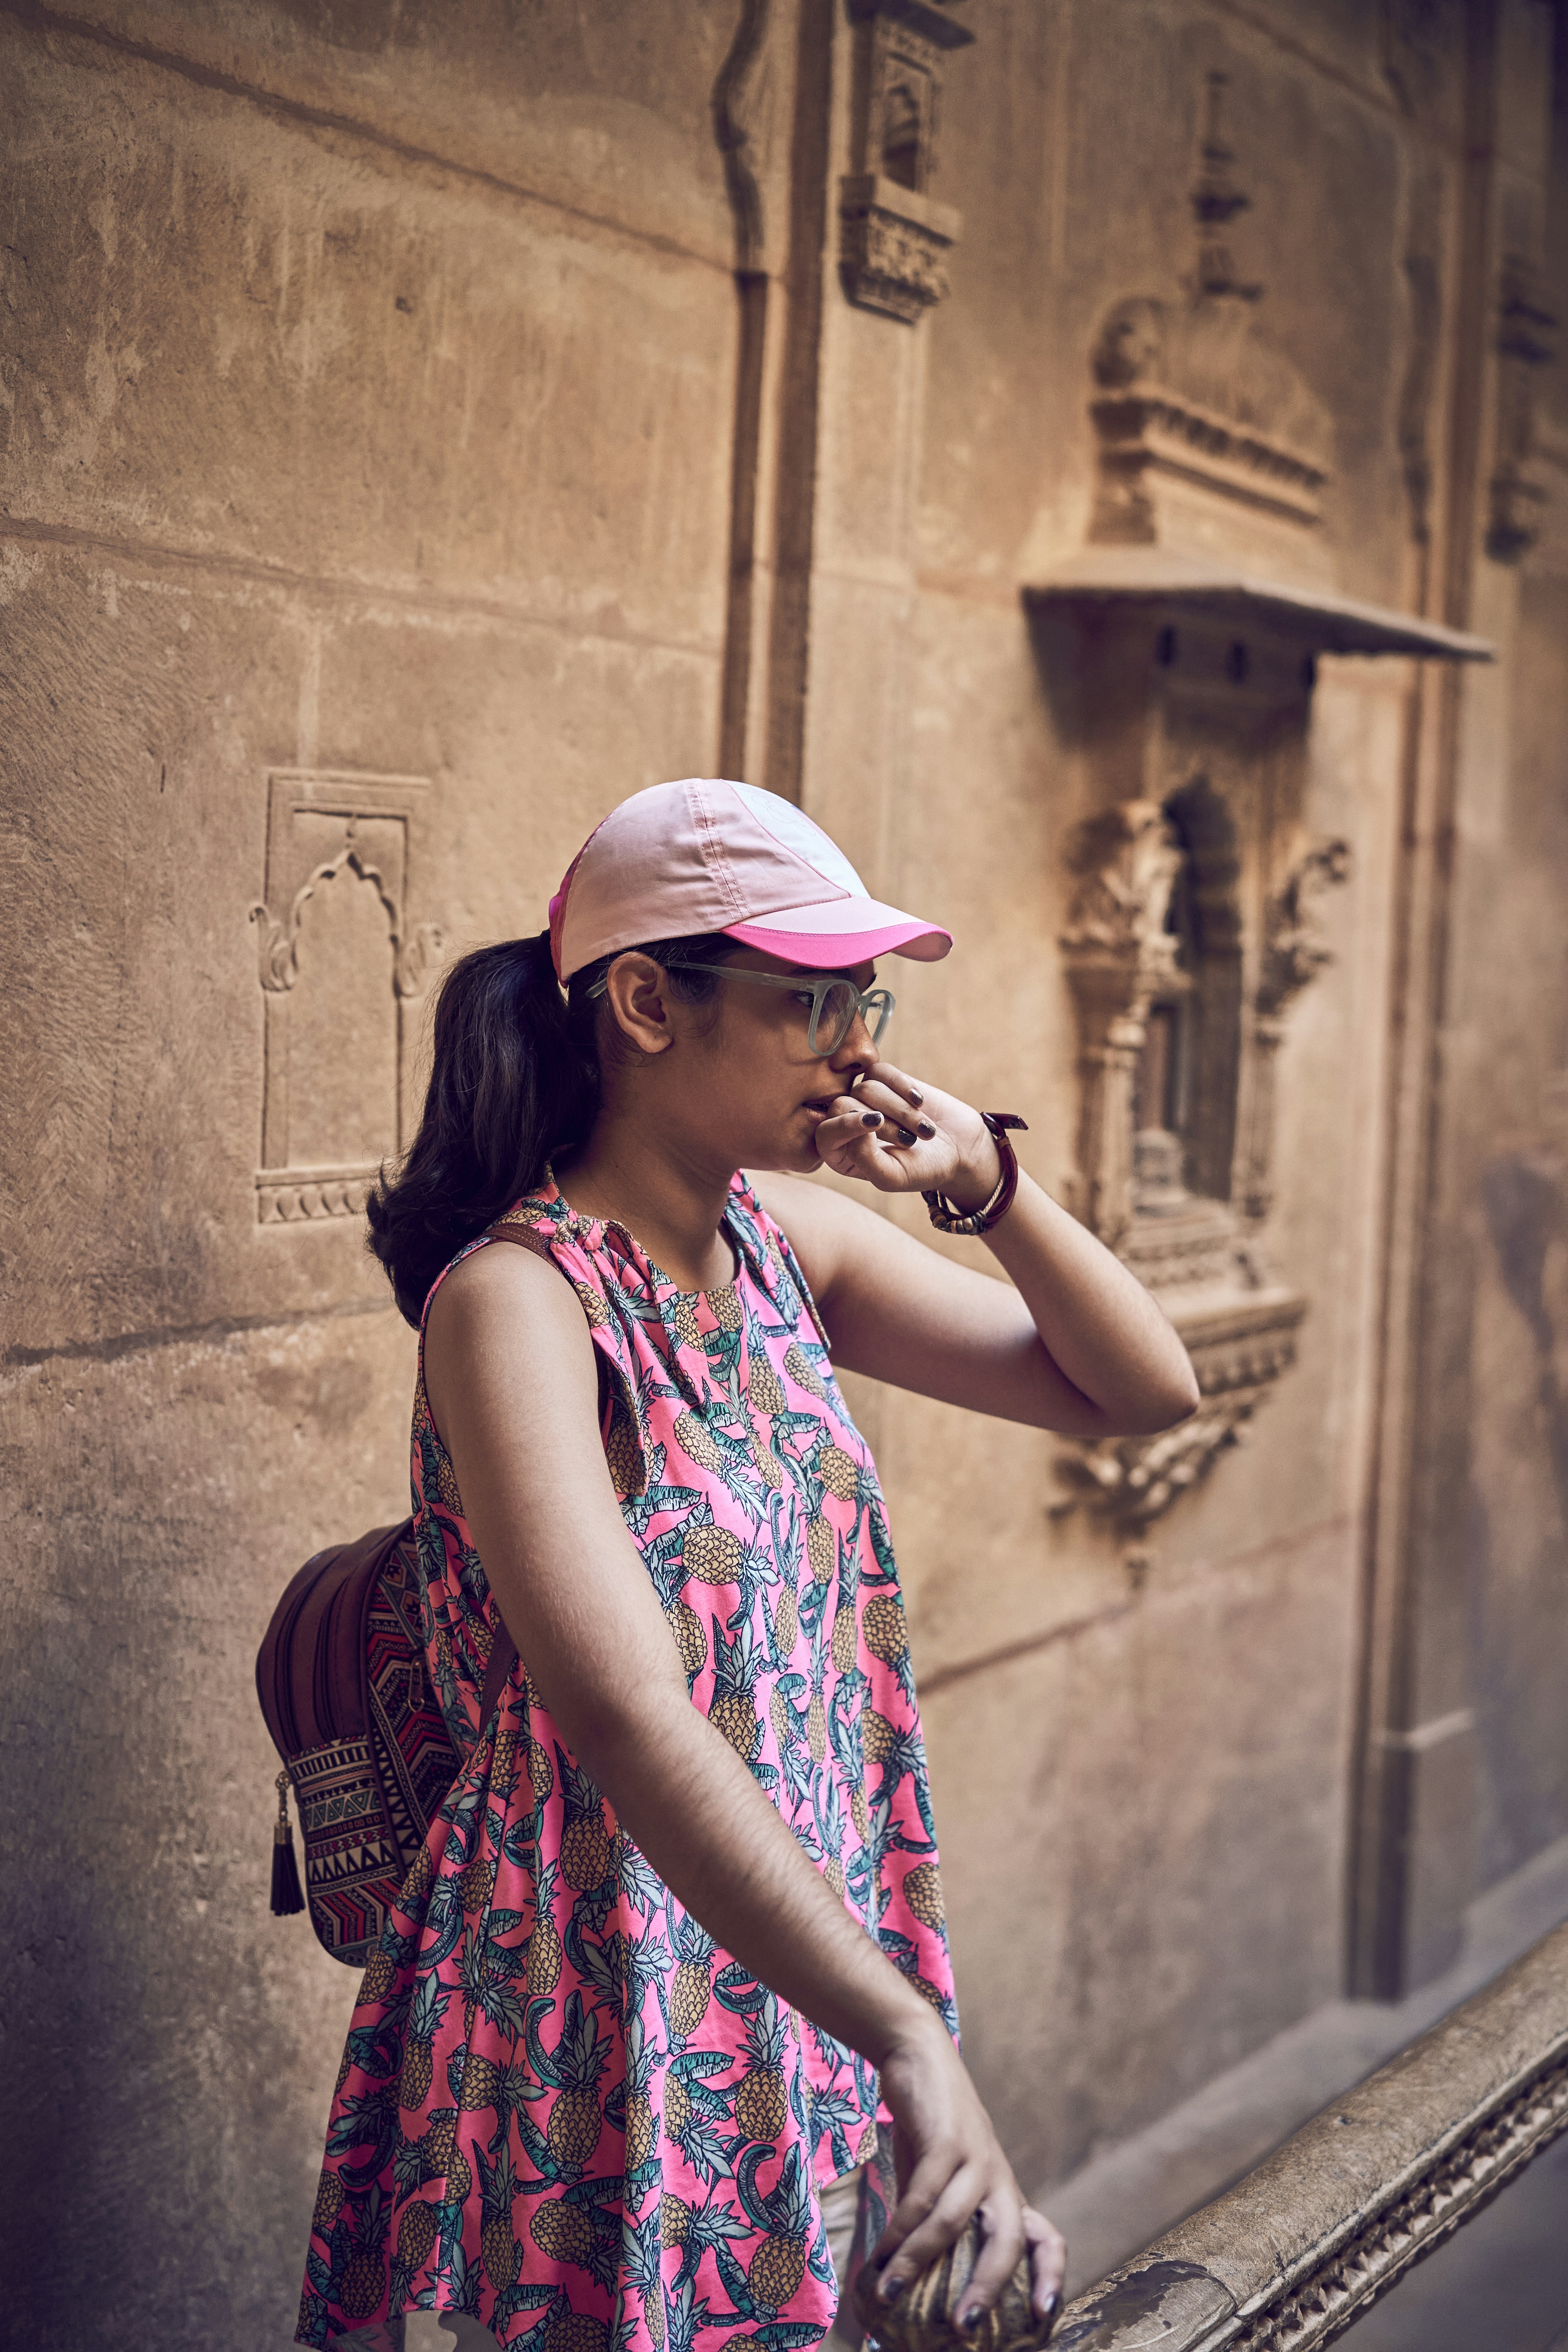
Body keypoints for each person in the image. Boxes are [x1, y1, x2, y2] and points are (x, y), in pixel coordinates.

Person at [297, 779, 1200, 2352]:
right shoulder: (515, 1306)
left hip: (790, 1953)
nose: (854, 1045)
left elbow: (1139, 1390)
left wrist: (987, 1186)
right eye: (809, 1000)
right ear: (647, 1005)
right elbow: (627, 1716)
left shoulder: (790, 1245)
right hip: (599, 2001)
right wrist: (907, 2034)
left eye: (866, 998)